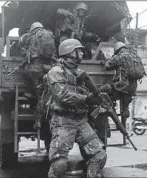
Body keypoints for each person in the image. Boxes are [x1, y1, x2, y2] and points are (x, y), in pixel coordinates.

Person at [46, 39, 107, 178]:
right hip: (63, 121)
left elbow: (88, 94)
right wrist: (87, 99)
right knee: (60, 164)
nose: (81, 53)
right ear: (69, 52)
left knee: (100, 155)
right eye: (78, 50)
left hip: (81, 121)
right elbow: (63, 95)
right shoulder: (55, 72)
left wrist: (97, 100)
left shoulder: (80, 73)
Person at [104, 42, 139, 126]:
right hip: (132, 88)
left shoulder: (119, 56)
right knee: (125, 105)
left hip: (121, 87)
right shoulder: (134, 56)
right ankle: (124, 119)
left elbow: (107, 66)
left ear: (117, 49)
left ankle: (113, 112)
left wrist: (112, 58)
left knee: (105, 91)